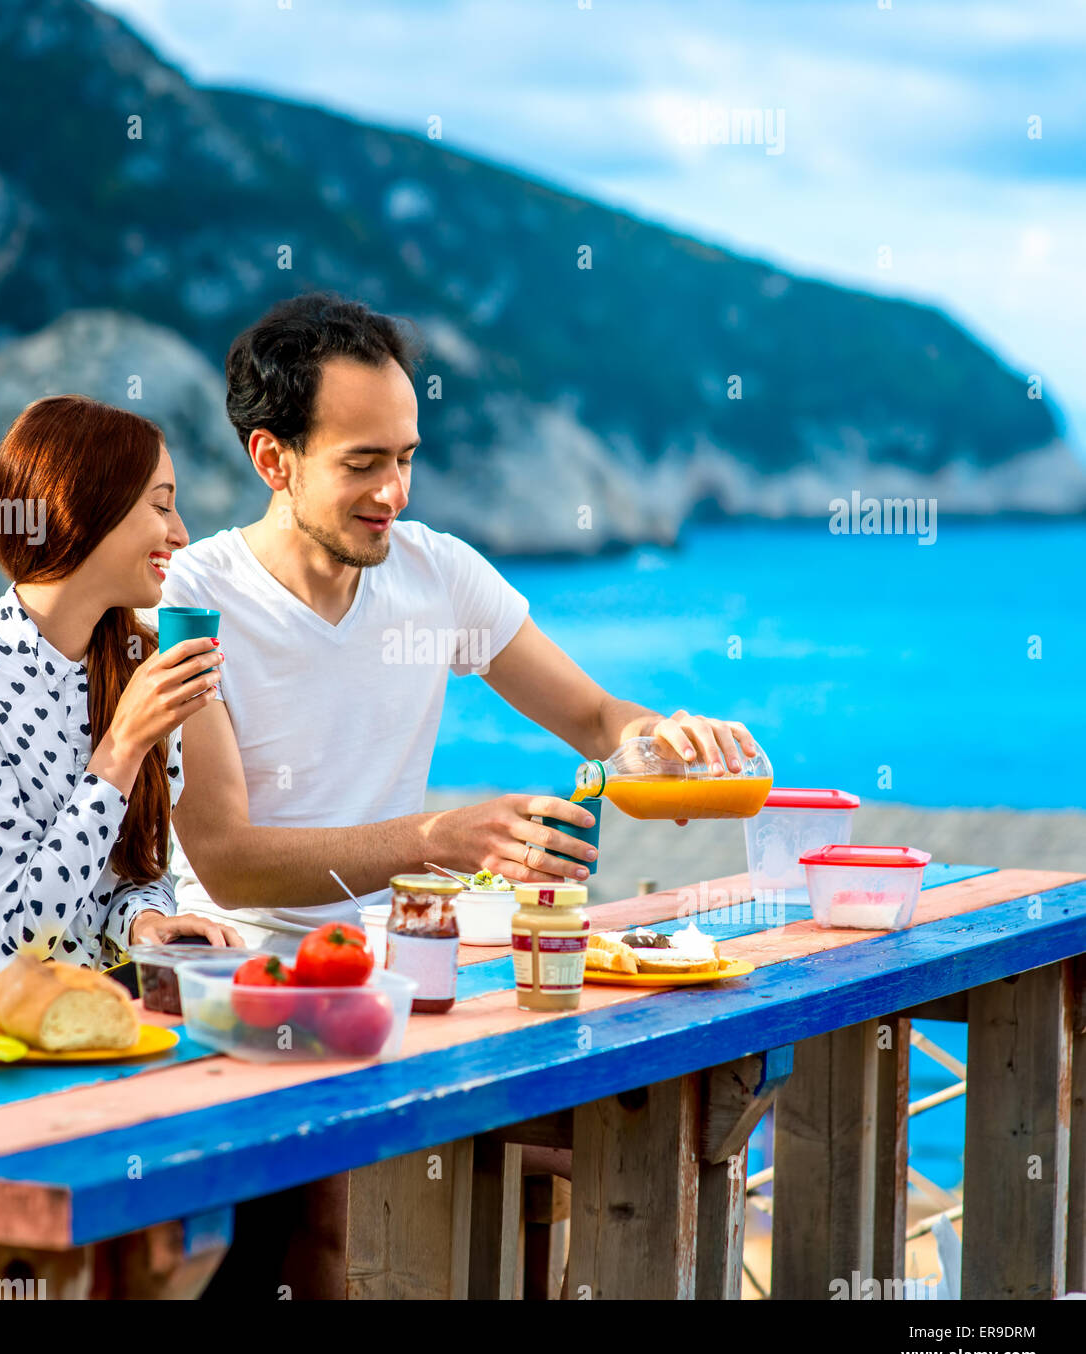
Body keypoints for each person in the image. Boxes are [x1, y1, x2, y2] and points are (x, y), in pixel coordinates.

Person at [154, 292, 758, 1298]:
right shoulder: (189, 601)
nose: (393, 490)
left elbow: (598, 720)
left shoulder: (438, 575)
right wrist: (440, 834)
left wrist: (665, 742)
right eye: (361, 463)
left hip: (397, 989)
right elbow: (224, 852)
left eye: (405, 456)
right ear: (273, 459)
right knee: (313, 1232)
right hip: (236, 997)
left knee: (591, 1146)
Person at [0, 395, 244, 1056]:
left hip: (76, 1018)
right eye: (162, 504)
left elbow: (134, 866)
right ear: (87, 512)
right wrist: (123, 744)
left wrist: (146, 921)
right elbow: (29, 926)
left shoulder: (136, 663)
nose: (180, 534)